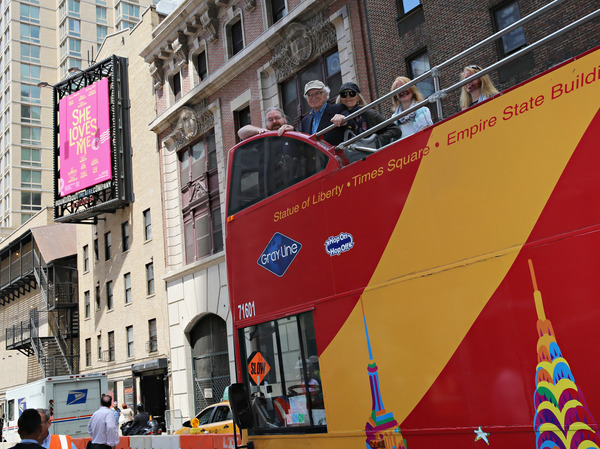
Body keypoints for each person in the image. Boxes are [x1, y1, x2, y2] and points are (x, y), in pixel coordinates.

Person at [330, 82, 401, 148]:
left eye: (352, 93)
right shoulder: (336, 119)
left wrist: (376, 141)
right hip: (348, 158)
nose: (348, 97)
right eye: (344, 94)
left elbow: (395, 129)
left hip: (371, 156)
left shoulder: (369, 114)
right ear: (340, 99)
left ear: (358, 97)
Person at [300, 80, 350, 147]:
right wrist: (292, 129)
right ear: (307, 99)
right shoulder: (305, 121)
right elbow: (300, 142)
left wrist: (344, 119)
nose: (314, 97)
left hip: (335, 155)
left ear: (326, 94)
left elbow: (351, 121)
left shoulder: (338, 109)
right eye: (309, 95)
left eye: (318, 93)